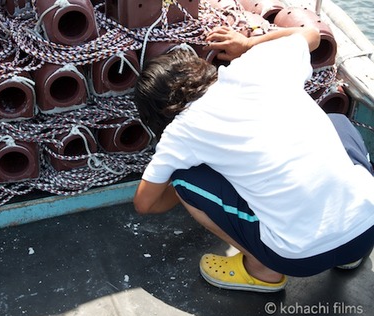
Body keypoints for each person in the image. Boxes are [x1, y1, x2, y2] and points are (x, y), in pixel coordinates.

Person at [132, 25, 374, 293]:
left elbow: (145, 203)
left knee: (184, 180)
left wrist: (182, 190)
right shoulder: (259, 64)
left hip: (299, 259)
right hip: (367, 230)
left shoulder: (180, 132)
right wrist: (248, 44)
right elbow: (313, 35)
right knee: (338, 122)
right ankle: (350, 253)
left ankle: (262, 269)